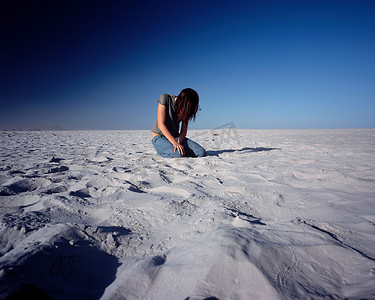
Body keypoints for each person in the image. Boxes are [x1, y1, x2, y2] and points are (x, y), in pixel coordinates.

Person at [151, 88, 207, 158]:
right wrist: (174, 143)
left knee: (201, 152)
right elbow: (161, 124)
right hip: (160, 137)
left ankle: (170, 150)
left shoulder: (186, 109)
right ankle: (161, 152)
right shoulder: (165, 98)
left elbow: (184, 130)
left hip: (176, 137)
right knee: (179, 154)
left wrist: (179, 143)